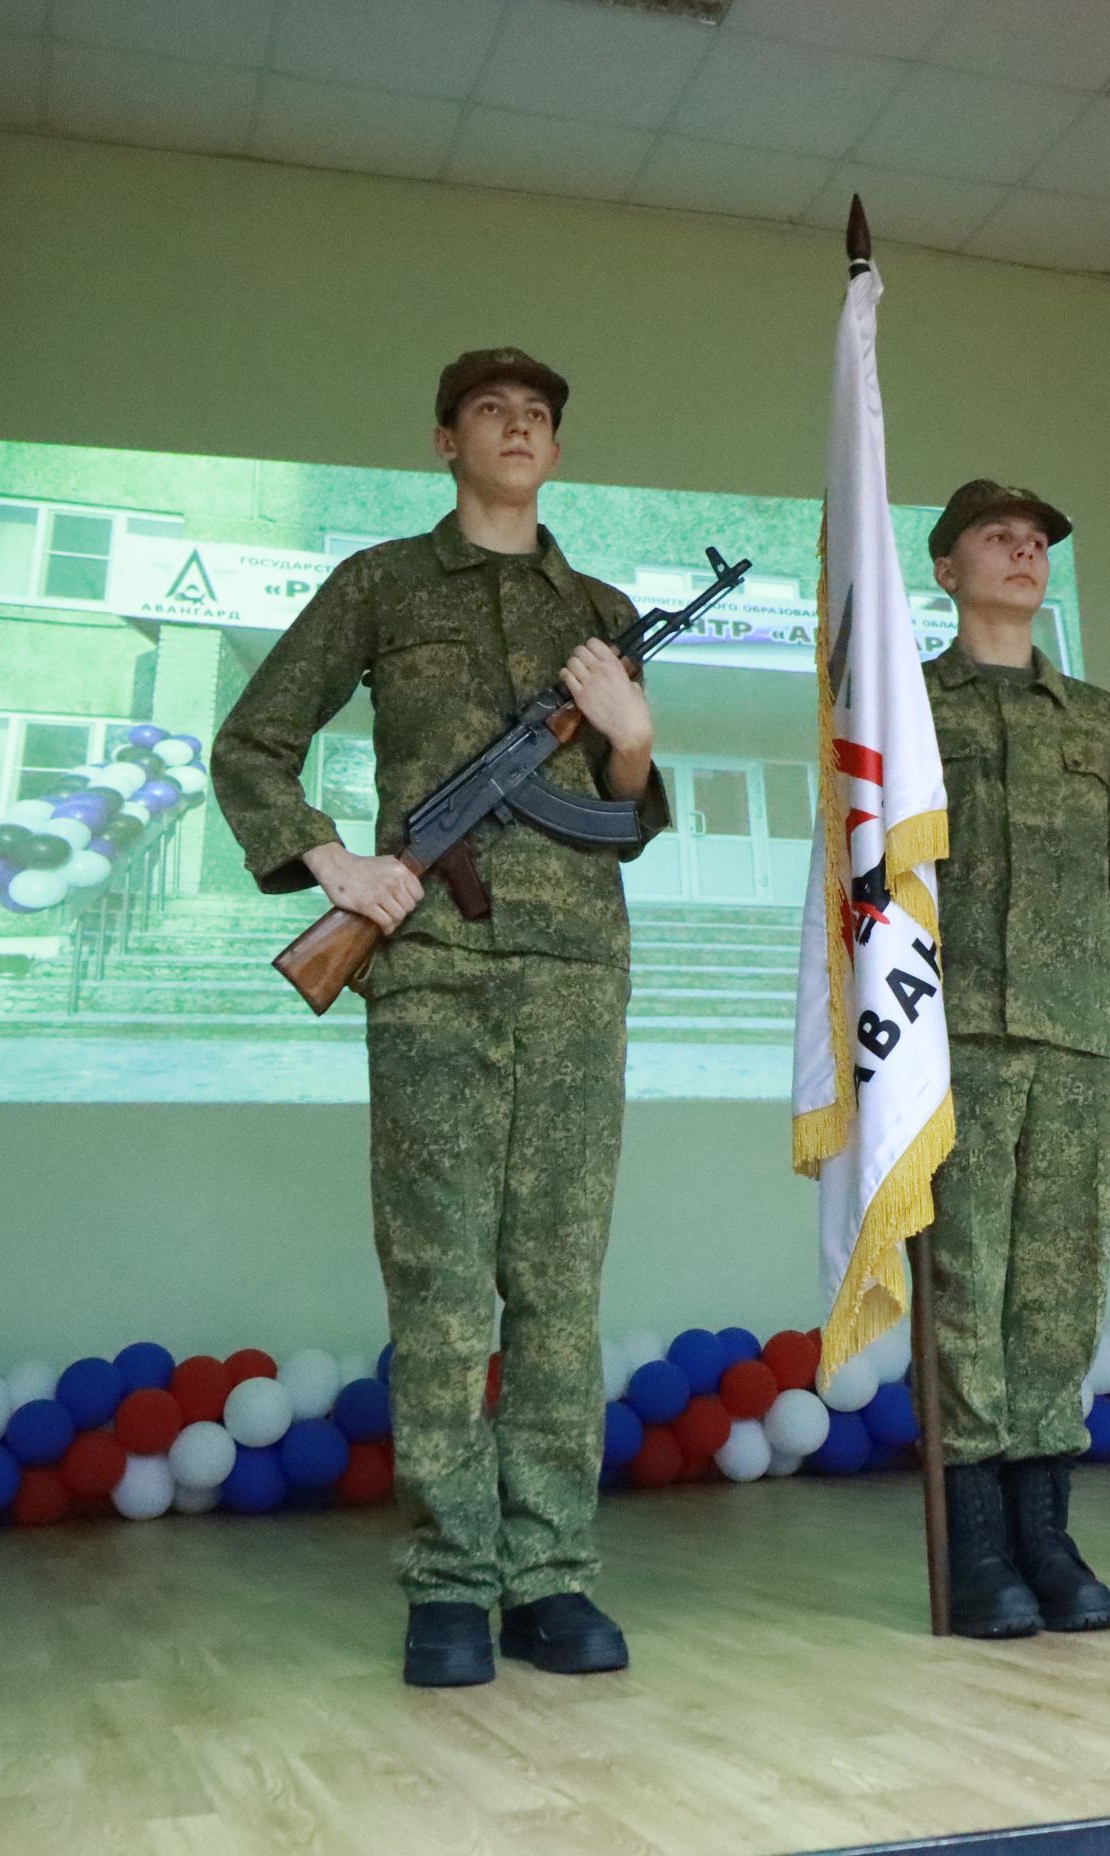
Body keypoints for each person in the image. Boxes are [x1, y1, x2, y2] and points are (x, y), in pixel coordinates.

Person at [211, 348, 667, 1685]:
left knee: (562, 1296)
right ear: (445, 441)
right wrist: (327, 863)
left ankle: (552, 1579)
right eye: (491, 412)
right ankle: (451, 1583)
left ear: (557, 453)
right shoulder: (380, 585)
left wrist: (629, 734)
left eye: (537, 417)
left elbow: (631, 819)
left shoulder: (602, 608)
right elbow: (253, 742)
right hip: (431, 979)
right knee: (444, 1292)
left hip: (576, 973)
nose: (517, 428)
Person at [918, 480, 1110, 1638]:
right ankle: (977, 1539)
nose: (1025, 554)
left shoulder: (1105, 721)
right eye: (999, 537)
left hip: (1078, 1036)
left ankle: (1048, 1527)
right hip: (951, 1031)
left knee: (1061, 1288)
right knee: (968, 1286)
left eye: (1040, 543)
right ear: (945, 567)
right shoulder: (901, 705)